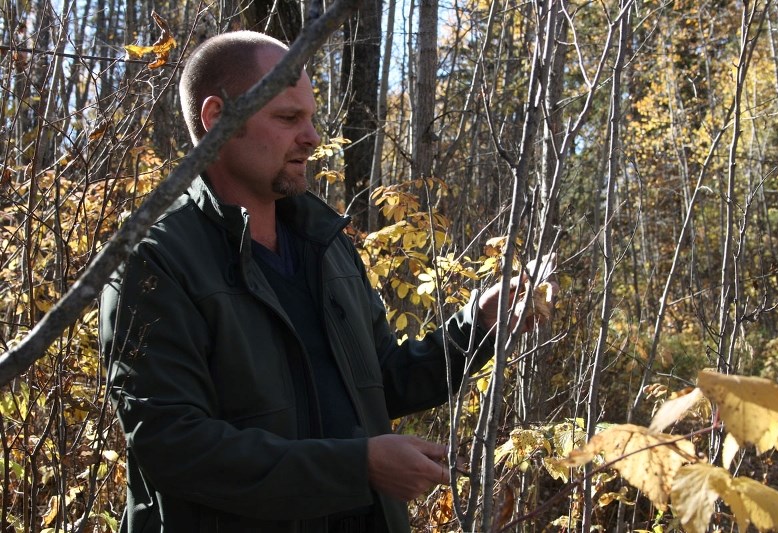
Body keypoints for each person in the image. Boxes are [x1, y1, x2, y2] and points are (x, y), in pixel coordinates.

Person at [100, 30, 554, 533]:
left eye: (311, 118)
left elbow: (381, 381)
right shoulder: (153, 260)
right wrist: (357, 466)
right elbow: (175, 446)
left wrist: (480, 325)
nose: (312, 137)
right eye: (288, 117)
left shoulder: (326, 244)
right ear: (217, 120)